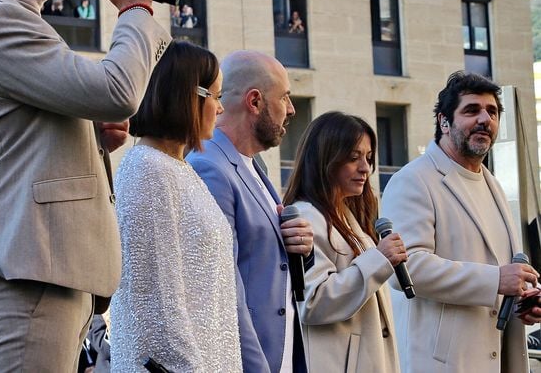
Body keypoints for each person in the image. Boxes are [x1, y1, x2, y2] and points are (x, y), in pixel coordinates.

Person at [0, 0, 171, 372]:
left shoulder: (9, 20)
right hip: (29, 272)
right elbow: (117, 90)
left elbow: (15, 142)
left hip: (39, 270)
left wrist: (91, 139)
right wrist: (136, 10)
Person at [382, 71, 541, 373]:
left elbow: (500, 268)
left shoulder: (493, 184)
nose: (485, 119)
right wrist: (495, 280)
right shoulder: (413, 180)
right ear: (444, 121)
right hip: (443, 363)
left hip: (500, 355)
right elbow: (406, 268)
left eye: (492, 112)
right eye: (471, 110)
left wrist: (525, 297)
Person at [110, 41, 242, 372]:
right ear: (188, 96)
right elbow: (154, 300)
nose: (220, 108)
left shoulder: (178, 170)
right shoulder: (148, 169)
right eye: (216, 96)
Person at [187, 50, 313, 373]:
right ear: (255, 102)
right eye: (284, 97)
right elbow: (223, 286)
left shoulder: (256, 165)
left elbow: (267, 264)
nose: (291, 109)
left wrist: (301, 248)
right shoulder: (209, 167)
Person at [283, 111, 403, 373]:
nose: (366, 168)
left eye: (369, 158)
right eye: (353, 157)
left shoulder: (347, 217)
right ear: (326, 158)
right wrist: (379, 260)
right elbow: (312, 302)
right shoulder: (307, 217)